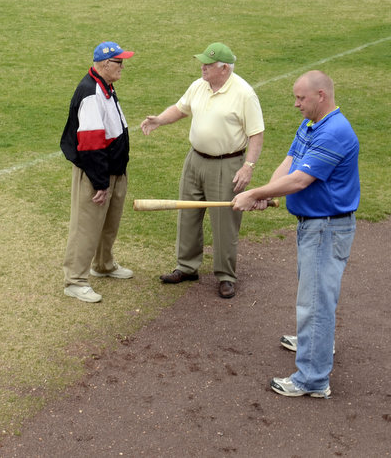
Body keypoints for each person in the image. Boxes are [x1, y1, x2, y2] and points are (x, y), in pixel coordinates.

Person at [233, 70, 359, 399]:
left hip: (327, 227)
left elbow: (301, 181)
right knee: (315, 296)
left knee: (315, 302)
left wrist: (255, 193)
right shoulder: (311, 125)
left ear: (321, 96)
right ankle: (314, 344)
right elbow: (290, 163)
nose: (295, 104)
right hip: (315, 225)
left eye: (301, 98)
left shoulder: (334, 132)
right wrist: (268, 193)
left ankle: (313, 380)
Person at [140, 42, 264, 299]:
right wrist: (160, 120)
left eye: (208, 64)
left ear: (224, 68)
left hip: (227, 164)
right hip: (195, 159)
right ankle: (186, 267)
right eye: (203, 63)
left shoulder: (244, 94)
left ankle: (226, 276)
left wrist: (248, 167)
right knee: (187, 213)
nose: (202, 68)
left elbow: (256, 134)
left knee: (224, 222)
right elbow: (181, 108)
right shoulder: (199, 85)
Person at [60, 41, 135, 303]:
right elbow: (91, 144)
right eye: (119, 62)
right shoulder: (91, 93)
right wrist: (101, 182)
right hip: (97, 174)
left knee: (108, 224)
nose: (122, 67)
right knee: (86, 227)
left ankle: (103, 264)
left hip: (113, 170)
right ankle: (75, 280)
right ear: (104, 64)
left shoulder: (105, 86)